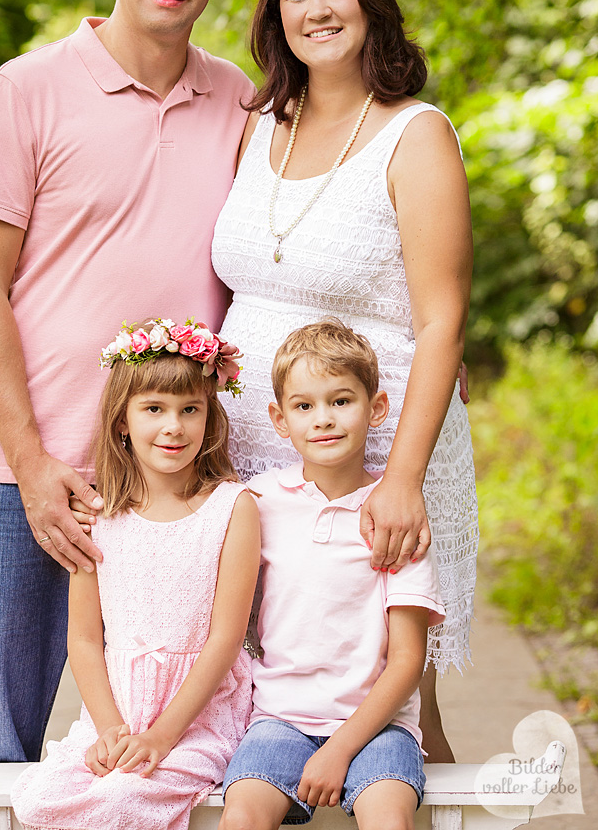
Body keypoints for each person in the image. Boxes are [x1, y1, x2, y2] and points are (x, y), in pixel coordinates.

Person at [0, 0, 256, 762]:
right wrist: (34, 463)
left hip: (172, 487)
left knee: (171, 751)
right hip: (16, 479)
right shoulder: (24, 89)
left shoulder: (239, 100)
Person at [211, 0, 478, 761]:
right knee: (272, 707)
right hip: (257, 456)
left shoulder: (415, 133)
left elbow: (442, 320)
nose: (317, 9)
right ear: (275, 13)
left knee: (393, 707)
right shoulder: (261, 127)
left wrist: (398, 481)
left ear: (371, 3)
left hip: (375, 452)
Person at [11, 317, 260, 830]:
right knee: (38, 801)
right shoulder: (99, 517)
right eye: (154, 409)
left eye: (190, 410)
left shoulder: (232, 508)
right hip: (116, 710)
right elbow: (83, 639)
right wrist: (109, 729)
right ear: (122, 421)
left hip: (197, 716)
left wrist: (162, 736)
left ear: (210, 417)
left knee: (124, 799)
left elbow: (226, 638)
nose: (174, 426)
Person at [219, 320, 444, 830]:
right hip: (279, 719)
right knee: (241, 818)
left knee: (390, 820)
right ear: (279, 419)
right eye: (304, 406)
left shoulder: (395, 516)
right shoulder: (258, 502)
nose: (323, 419)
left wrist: (340, 750)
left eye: (341, 401)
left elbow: (408, 660)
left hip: (380, 726)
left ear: (377, 408)